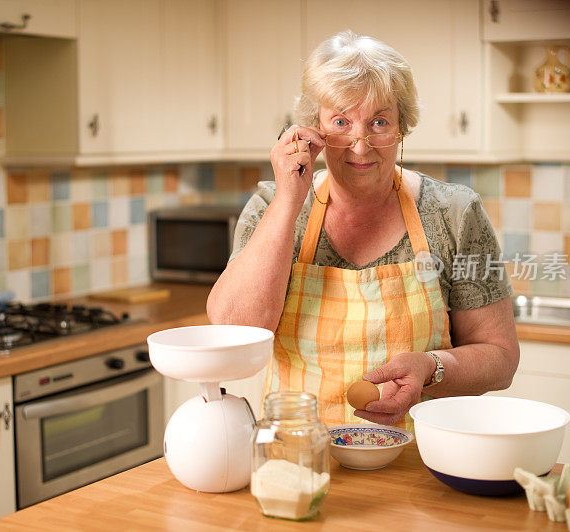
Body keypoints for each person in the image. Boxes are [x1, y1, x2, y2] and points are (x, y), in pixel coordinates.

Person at [207, 30, 519, 430]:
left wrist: (432, 367)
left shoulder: (454, 214)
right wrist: (289, 201)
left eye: (379, 122)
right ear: (313, 127)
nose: (360, 145)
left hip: (422, 459)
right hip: (300, 459)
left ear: (402, 126)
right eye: (341, 121)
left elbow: (500, 358)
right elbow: (235, 330)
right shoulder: (273, 208)